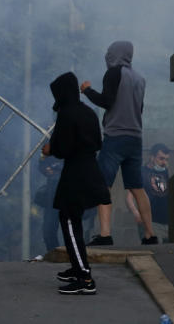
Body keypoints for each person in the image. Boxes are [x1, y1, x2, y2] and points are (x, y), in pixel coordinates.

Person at [80, 40, 158, 246]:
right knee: (137, 187)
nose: (107, 56)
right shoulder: (140, 79)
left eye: (109, 52)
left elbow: (106, 101)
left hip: (115, 137)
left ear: (115, 54)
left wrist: (87, 90)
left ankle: (105, 234)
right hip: (135, 138)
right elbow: (139, 109)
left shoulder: (114, 73)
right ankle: (150, 234)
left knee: (103, 185)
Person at [41, 71, 111, 296]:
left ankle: (84, 277)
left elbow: (61, 149)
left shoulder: (66, 114)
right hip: (90, 168)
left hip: (75, 173)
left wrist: (50, 149)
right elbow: (98, 142)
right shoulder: (88, 111)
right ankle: (76, 264)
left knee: (69, 221)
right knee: (71, 219)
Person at [126, 143, 172, 243]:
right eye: (161, 158)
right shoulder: (142, 172)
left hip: (167, 223)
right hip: (151, 223)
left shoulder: (165, 171)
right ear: (152, 157)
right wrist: (136, 213)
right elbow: (129, 197)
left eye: (166, 159)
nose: (164, 162)